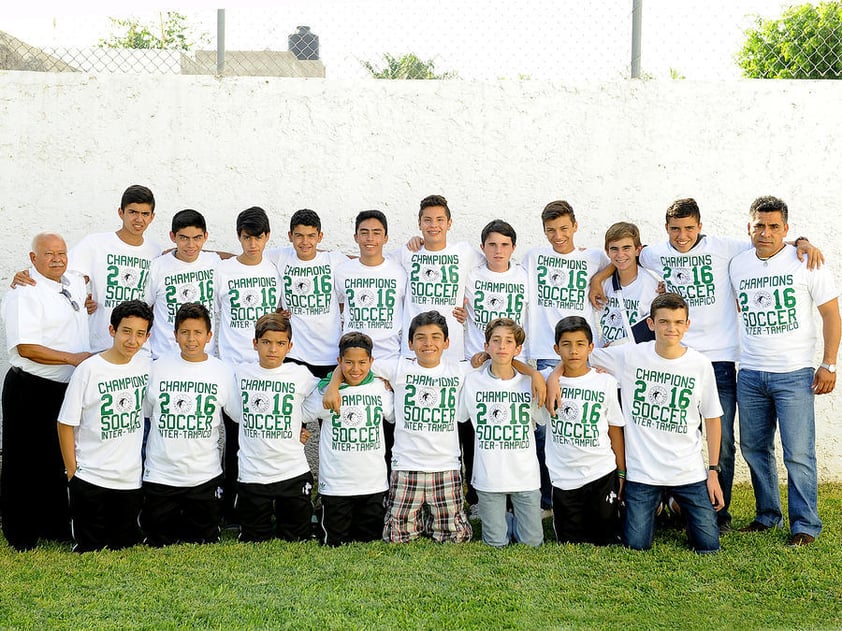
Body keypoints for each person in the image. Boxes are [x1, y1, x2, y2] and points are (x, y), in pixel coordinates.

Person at [590, 197, 823, 532]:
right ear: (666, 230)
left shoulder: (725, 248)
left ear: (700, 226)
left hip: (718, 361)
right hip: (671, 357)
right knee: (663, 428)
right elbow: (625, 255)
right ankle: (668, 503)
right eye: (674, 230)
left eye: (688, 228)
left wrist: (802, 242)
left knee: (723, 441)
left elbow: (767, 240)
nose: (682, 236)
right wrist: (601, 277)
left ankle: (718, 514)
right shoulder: (656, 253)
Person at [547, 293, 724, 553]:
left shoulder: (700, 364)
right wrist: (554, 376)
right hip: (644, 474)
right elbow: (578, 357)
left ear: (687, 325)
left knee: (708, 545)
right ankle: (658, 504)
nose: (670, 328)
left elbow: (712, 418)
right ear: (651, 324)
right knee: (636, 545)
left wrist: (712, 471)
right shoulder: (630, 355)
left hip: (687, 471)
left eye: (677, 322)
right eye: (663, 322)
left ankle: (675, 503)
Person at [729, 196, 839, 546]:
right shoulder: (738, 265)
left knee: (798, 453)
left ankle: (805, 524)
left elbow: (831, 316)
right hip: (749, 373)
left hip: (793, 374)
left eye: (774, 226)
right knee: (754, 448)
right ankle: (767, 515)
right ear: (750, 227)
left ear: (786, 229)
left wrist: (829, 363)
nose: (766, 232)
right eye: (759, 225)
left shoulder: (807, 262)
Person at [1, 233, 92, 550]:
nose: (57, 258)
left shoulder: (75, 282)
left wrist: (88, 303)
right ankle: (20, 533)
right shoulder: (23, 293)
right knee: (24, 460)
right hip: (31, 387)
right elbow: (25, 348)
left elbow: (89, 278)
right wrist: (73, 358)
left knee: (57, 458)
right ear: (32, 258)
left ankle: (55, 525)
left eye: (62, 253)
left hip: (66, 388)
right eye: (48, 254)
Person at [522, 200, 609, 511]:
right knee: (549, 433)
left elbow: (625, 256)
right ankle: (550, 501)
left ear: (575, 225)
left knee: (587, 429)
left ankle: (593, 494)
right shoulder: (534, 257)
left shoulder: (592, 257)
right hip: (547, 355)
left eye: (563, 228)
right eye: (550, 231)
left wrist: (598, 279)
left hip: (584, 356)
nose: (557, 236)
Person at [56, 300, 153, 552]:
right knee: (90, 547)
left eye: (140, 334)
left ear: (147, 336)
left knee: (124, 545)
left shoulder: (148, 366)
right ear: (112, 330)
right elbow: (65, 423)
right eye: (126, 331)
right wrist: (72, 473)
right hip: (90, 477)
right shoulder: (89, 370)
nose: (132, 340)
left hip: (129, 480)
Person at [141, 302, 239, 546]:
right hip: (161, 476)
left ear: (209, 336)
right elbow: (145, 412)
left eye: (197, 332)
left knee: (203, 540)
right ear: (175, 335)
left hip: (203, 477)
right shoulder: (156, 368)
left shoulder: (223, 371)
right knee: (158, 539)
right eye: (185, 332)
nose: (191, 339)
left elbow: (238, 416)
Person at [215, 206, 282, 521]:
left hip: (266, 367)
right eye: (246, 238)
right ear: (238, 237)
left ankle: (262, 502)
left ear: (267, 237)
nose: (252, 244)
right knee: (233, 438)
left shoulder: (275, 268)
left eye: (258, 237)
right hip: (232, 367)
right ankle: (231, 506)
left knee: (262, 436)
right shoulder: (223, 271)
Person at [230, 312, 319, 542]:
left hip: (292, 470)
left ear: (289, 346)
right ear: (255, 343)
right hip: (253, 473)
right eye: (266, 342)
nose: (273, 349)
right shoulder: (240, 373)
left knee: (297, 535)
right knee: (254, 537)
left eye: (280, 344)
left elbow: (322, 395)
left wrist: (300, 424)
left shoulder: (300, 374)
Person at [457, 318, 545, 547]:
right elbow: (462, 416)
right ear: (486, 347)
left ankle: (516, 519)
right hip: (489, 478)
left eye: (508, 341)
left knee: (532, 543)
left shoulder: (530, 382)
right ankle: (503, 519)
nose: (502, 346)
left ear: (518, 349)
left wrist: (535, 374)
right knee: (496, 543)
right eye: (495, 341)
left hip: (525, 476)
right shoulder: (473, 381)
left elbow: (542, 418)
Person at [303, 332, 394, 546]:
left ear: (371, 362)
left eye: (362, 362)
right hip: (336, 486)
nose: (356, 369)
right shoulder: (326, 392)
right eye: (349, 362)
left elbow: (394, 415)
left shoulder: (380, 389)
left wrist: (391, 383)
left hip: (373, 484)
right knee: (335, 541)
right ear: (339, 362)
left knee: (370, 539)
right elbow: (302, 414)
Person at [543, 316, 624, 545]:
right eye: (566, 344)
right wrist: (552, 377)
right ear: (556, 349)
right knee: (571, 542)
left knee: (607, 539)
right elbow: (525, 373)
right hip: (564, 477)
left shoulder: (605, 382)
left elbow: (614, 428)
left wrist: (621, 472)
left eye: (580, 344)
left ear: (591, 347)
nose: (573, 351)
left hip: (601, 471)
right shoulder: (547, 382)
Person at [68, 185, 161, 352]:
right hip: (101, 344)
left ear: (152, 217)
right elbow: (63, 275)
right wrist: (79, 299)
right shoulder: (96, 244)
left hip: (140, 349)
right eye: (133, 212)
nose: (139, 219)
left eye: (145, 214)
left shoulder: (156, 252)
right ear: (121, 212)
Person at [395, 195, 482, 361]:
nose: (433, 225)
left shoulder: (464, 252)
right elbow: (373, 262)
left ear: (449, 223)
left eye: (440, 220)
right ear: (419, 223)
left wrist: (469, 308)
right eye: (427, 220)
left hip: (451, 350)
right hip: (413, 351)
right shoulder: (408, 252)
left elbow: (493, 266)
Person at [271, 209, 346, 378]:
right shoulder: (279, 257)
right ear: (290, 236)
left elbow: (363, 264)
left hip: (330, 354)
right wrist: (276, 313)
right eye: (299, 236)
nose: (305, 242)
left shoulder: (334, 260)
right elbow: (248, 261)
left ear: (320, 236)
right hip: (294, 354)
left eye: (311, 236)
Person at [144, 209, 221, 359]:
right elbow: (146, 306)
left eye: (197, 238)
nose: (191, 245)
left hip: (204, 357)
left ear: (206, 237)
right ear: (173, 236)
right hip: (164, 357)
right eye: (184, 238)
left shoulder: (214, 262)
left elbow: (240, 262)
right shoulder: (158, 266)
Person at [335, 210, 406, 362]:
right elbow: (336, 306)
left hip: (390, 357)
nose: (370, 238)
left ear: (386, 238)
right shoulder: (342, 271)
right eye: (364, 232)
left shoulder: (400, 273)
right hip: (353, 358)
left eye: (376, 232)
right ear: (356, 237)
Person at [596, 222, 660, 346]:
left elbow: (654, 330)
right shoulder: (602, 282)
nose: (620, 255)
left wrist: (619, 345)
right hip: (605, 356)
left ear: (638, 250)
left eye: (626, 248)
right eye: (614, 249)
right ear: (607, 252)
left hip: (635, 358)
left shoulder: (653, 286)